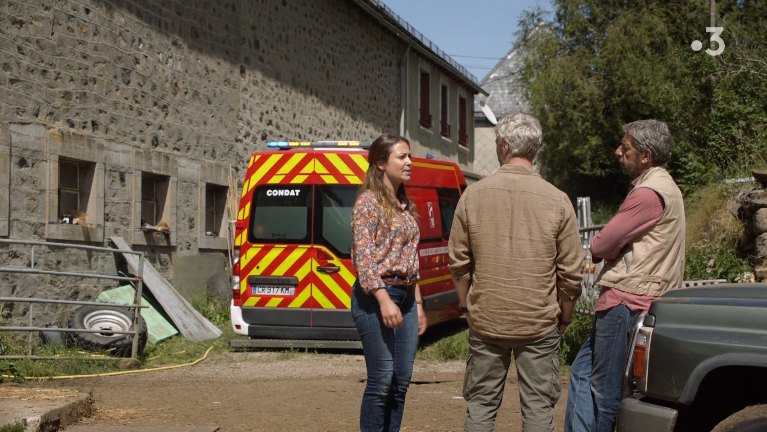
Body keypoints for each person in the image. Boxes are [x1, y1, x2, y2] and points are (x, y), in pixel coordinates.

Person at [448, 113, 585, 432]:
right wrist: (565, 316)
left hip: (487, 319)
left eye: (497, 142)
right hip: (538, 321)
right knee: (538, 408)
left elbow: (458, 262)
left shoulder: (473, 195)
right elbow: (571, 273)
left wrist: (467, 306)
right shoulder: (558, 200)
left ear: (505, 146)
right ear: (533, 151)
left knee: (481, 406)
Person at [564, 120, 685, 432]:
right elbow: (612, 245)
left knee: (605, 392)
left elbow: (602, 243)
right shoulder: (664, 187)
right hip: (631, 297)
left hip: (626, 301)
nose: (618, 152)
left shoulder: (648, 193)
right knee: (581, 373)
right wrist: (613, 247)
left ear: (645, 155)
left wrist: (609, 249)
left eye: (625, 148)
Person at [351, 133, 427, 432]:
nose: (409, 162)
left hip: (407, 296)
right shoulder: (367, 203)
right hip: (375, 296)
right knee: (382, 380)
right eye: (402, 156)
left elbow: (411, 260)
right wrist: (384, 300)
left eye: (409, 156)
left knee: (401, 381)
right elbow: (364, 259)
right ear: (381, 163)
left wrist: (418, 304)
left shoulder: (405, 204)